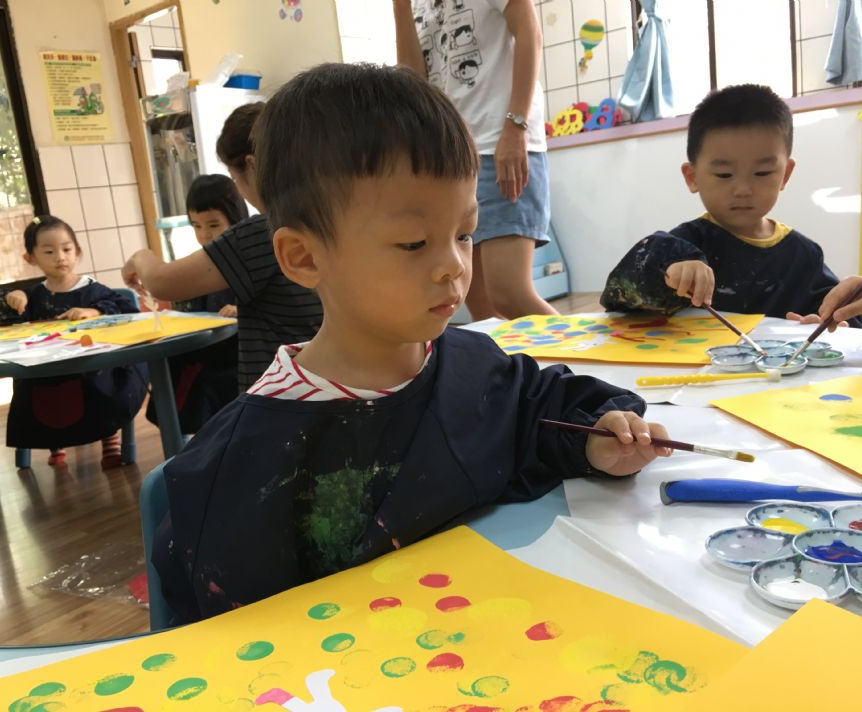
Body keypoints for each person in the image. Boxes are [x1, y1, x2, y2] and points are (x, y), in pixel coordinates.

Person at [152, 63, 670, 625]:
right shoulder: (244, 461)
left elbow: (545, 413)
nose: (454, 266)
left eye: (464, 233)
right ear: (303, 257)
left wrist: (599, 440)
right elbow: (224, 631)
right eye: (414, 243)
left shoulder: (475, 371)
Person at [601, 84, 861, 328]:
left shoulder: (804, 256)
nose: (743, 189)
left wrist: (834, 320)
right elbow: (619, 295)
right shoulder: (682, 247)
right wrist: (668, 267)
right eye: (724, 175)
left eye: (762, 173)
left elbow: (839, 320)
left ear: (785, 174)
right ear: (692, 177)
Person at [122, 102, 324, 389]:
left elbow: (161, 283)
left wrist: (140, 257)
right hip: (338, 386)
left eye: (234, 177)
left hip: (284, 396)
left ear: (252, 166)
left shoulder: (261, 234)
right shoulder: (331, 218)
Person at [393, 0, 559, 320]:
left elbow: (530, 33)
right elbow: (413, 81)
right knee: (480, 306)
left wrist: (516, 126)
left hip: (500, 143)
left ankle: (588, 352)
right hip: (454, 157)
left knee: (509, 293)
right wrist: (400, 7)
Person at [0, 215, 147, 469]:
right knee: (34, 388)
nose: (60, 257)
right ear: (30, 258)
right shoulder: (32, 295)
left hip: (92, 368)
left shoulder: (93, 290)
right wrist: (10, 298)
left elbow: (128, 311)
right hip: (48, 369)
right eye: (49, 251)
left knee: (102, 389)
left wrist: (95, 311)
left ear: (77, 252)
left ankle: (109, 436)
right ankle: (54, 442)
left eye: (67, 249)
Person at [145, 175, 247, 434]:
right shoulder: (199, 263)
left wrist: (241, 311)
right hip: (204, 354)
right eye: (196, 226)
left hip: (236, 361)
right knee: (172, 371)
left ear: (236, 220)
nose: (204, 234)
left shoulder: (247, 260)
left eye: (213, 225)